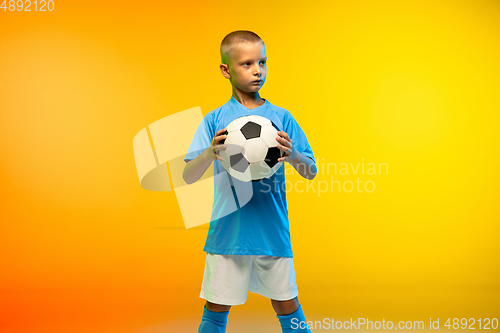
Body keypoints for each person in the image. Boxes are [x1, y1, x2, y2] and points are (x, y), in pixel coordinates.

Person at [183, 30, 317, 333]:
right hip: (228, 235)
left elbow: (310, 171)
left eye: (262, 62)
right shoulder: (215, 120)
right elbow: (188, 176)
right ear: (225, 70)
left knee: (288, 306)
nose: (258, 70)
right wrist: (209, 153)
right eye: (247, 64)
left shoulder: (282, 118)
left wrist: (292, 154)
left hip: (272, 233)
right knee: (215, 312)